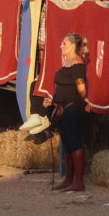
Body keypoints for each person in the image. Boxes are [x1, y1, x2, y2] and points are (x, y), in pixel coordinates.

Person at [43, 32, 90, 192]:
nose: (60, 46)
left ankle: (78, 182)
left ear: (72, 46)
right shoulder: (69, 63)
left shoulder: (77, 64)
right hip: (63, 108)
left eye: (64, 43)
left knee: (75, 143)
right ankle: (69, 179)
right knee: (68, 144)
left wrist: (84, 100)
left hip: (72, 108)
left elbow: (81, 88)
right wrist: (53, 99)